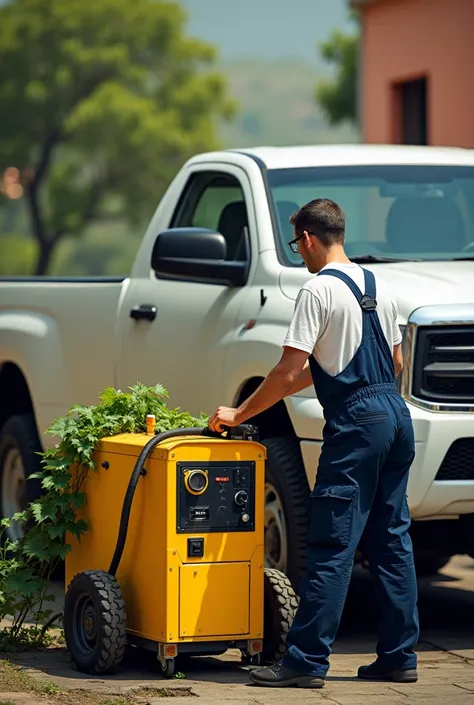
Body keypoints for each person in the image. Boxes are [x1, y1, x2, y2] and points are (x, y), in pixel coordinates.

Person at [208, 198, 420, 690]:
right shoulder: (379, 288)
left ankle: (304, 663)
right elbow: (394, 364)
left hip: (357, 425)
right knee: (392, 540)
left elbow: (285, 372)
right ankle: (399, 657)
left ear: (307, 238)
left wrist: (238, 414)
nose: (298, 252)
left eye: (296, 243)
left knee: (331, 544)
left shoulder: (317, 290)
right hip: (395, 417)